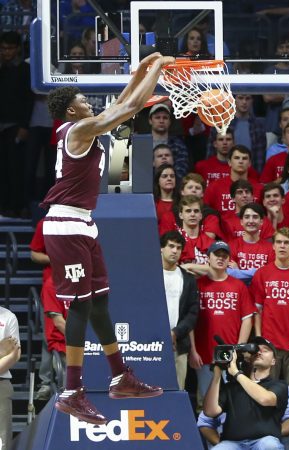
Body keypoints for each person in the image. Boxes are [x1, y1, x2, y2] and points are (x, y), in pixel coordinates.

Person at [40, 52, 175, 424]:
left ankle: (120, 376)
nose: (88, 102)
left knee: (99, 302)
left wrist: (141, 73)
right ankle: (72, 391)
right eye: (82, 100)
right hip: (66, 224)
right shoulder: (80, 130)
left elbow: (123, 104)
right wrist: (158, 72)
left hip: (84, 224)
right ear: (70, 112)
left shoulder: (84, 127)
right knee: (81, 307)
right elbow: (126, 109)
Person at [184, 241, 255, 399]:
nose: (220, 258)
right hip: (203, 353)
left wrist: (238, 349)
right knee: (205, 399)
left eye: (224, 256)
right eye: (217, 255)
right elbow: (190, 321)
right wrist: (193, 351)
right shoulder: (197, 285)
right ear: (208, 257)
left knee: (230, 399)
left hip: (229, 352)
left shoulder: (239, 286)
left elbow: (247, 319)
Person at [202, 337, 289, 450]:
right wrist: (217, 375)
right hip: (232, 443)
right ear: (248, 359)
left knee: (270, 446)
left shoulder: (279, 385)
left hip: (264, 441)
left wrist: (236, 373)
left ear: (273, 361)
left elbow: (266, 399)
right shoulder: (232, 386)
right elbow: (210, 411)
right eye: (256, 350)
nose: (259, 352)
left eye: (265, 350)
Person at [250, 228, 289, 416]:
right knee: (265, 392)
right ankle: (266, 435)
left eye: (287, 243)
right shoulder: (262, 274)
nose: (282, 246)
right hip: (269, 346)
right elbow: (258, 310)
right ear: (273, 246)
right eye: (279, 242)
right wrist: (259, 338)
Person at [30, 218, 69, 396]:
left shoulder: (81, 222)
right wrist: (56, 258)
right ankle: (46, 382)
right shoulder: (45, 224)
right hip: (53, 285)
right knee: (51, 334)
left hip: (73, 282)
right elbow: (34, 254)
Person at [198, 384, 289, 450]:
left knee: (277, 445)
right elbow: (205, 422)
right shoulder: (227, 389)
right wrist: (219, 442)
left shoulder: (278, 386)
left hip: (270, 439)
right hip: (233, 441)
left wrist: (268, 432)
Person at [0, 30, 34, 217]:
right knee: (2, 169)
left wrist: (24, 126)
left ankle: (19, 206)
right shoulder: (2, 69)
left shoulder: (24, 70)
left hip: (16, 126)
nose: (6, 52)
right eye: (3, 48)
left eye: (10, 48)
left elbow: (28, 101)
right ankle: (4, 206)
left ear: (18, 49)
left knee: (16, 169)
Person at [160, 231, 199, 390]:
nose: (175, 251)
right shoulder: (149, 275)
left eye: (178, 247)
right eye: (171, 246)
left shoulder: (188, 279)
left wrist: (175, 332)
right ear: (161, 248)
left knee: (177, 390)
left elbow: (193, 312)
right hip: (150, 342)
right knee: (150, 391)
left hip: (179, 343)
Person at [159, 173, 222, 240]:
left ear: (203, 193)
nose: (194, 190)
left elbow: (208, 239)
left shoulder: (211, 215)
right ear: (182, 192)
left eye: (197, 188)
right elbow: (166, 241)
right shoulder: (169, 215)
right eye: (190, 187)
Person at [203, 145, 263, 216]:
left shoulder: (259, 188)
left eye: (244, 158)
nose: (241, 161)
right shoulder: (214, 187)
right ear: (229, 162)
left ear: (249, 163)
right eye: (237, 158)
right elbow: (205, 213)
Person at [227, 203, 275, 282]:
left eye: (255, 217)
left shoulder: (271, 248)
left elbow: (269, 274)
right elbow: (230, 273)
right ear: (241, 222)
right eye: (247, 217)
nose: (251, 221)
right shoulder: (231, 245)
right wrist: (259, 272)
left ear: (261, 222)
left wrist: (238, 271)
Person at [148, 103, 190, 179]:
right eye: (157, 117)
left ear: (170, 121)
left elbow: (181, 171)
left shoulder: (178, 144)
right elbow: (140, 170)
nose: (161, 121)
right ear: (150, 121)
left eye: (165, 118)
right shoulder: (142, 144)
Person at [0, 306, 21, 450]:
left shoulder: (8, 317)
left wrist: (9, 354)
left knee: (2, 442)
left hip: (1, 386)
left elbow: (15, 354)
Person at [229, 94, 266, 173]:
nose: (244, 102)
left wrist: (258, 177)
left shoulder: (258, 126)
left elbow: (260, 157)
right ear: (233, 100)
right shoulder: (223, 124)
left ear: (252, 101)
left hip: (251, 173)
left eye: (247, 98)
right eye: (241, 98)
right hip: (227, 173)